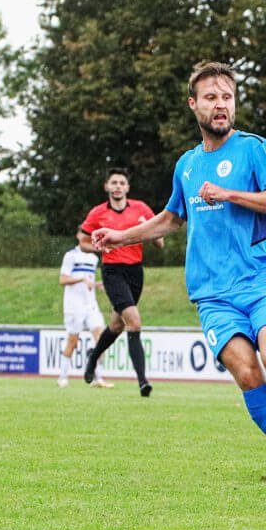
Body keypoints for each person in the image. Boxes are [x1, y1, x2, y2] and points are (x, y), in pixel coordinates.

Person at [91, 61, 266, 484]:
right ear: (194, 105)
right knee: (248, 374)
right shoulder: (186, 165)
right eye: (211, 97)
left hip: (261, 281)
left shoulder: (255, 149)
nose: (220, 104)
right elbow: (172, 218)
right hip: (212, 294)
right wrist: (120, 237)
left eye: (227, 97)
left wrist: (230, 194)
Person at [79, 168, 164, 396]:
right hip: (112, 271)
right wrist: (99, 247)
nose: (117, 186)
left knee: (117, 325)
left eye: (121, 183)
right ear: (106, 186)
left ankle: (93, 357)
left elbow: (160, 241)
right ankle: (143, 382)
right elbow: (82, 241)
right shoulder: (98, 213)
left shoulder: (141, 209)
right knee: (134, 322)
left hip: (136, 272)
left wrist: (153, 234)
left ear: (127, 187)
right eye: (113, 182)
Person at [58, 240, 112, 389]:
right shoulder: (71, 256)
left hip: (91, 304)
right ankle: (62, 377)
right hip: (73, 305)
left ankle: (98, 377)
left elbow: (89, 281)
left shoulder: (94, 258)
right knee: (73, 341)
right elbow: (62, 279)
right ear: (79, 236)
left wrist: (97, 284)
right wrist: (82, 279)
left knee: (102, 339)